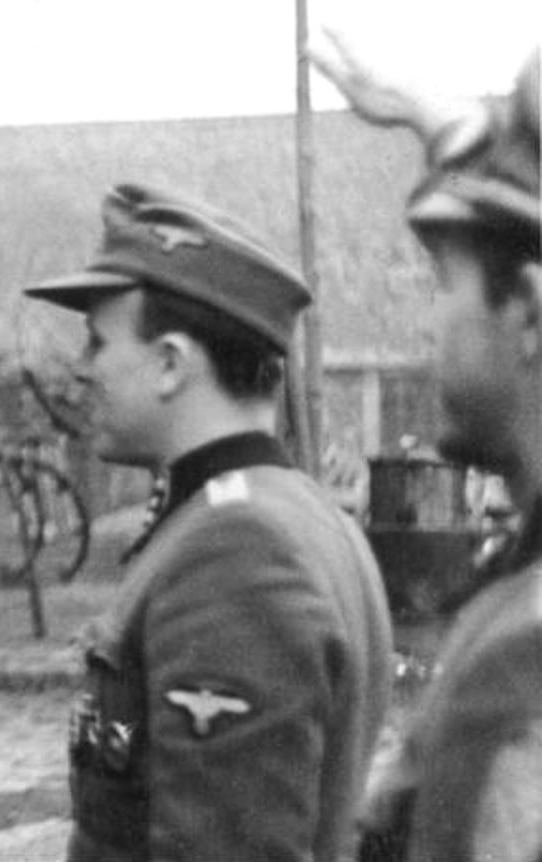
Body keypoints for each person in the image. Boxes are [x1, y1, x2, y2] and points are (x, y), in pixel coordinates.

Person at [24, 183, 394, 860]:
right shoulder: (301, 514)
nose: (82, 370)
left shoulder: (236, 549)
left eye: (98, 343)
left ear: (169, 363)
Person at [311, 36, 542, 862]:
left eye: (443, 284)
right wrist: (426, 113)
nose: (425, 323)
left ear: (528, 310)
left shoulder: (524, 669)